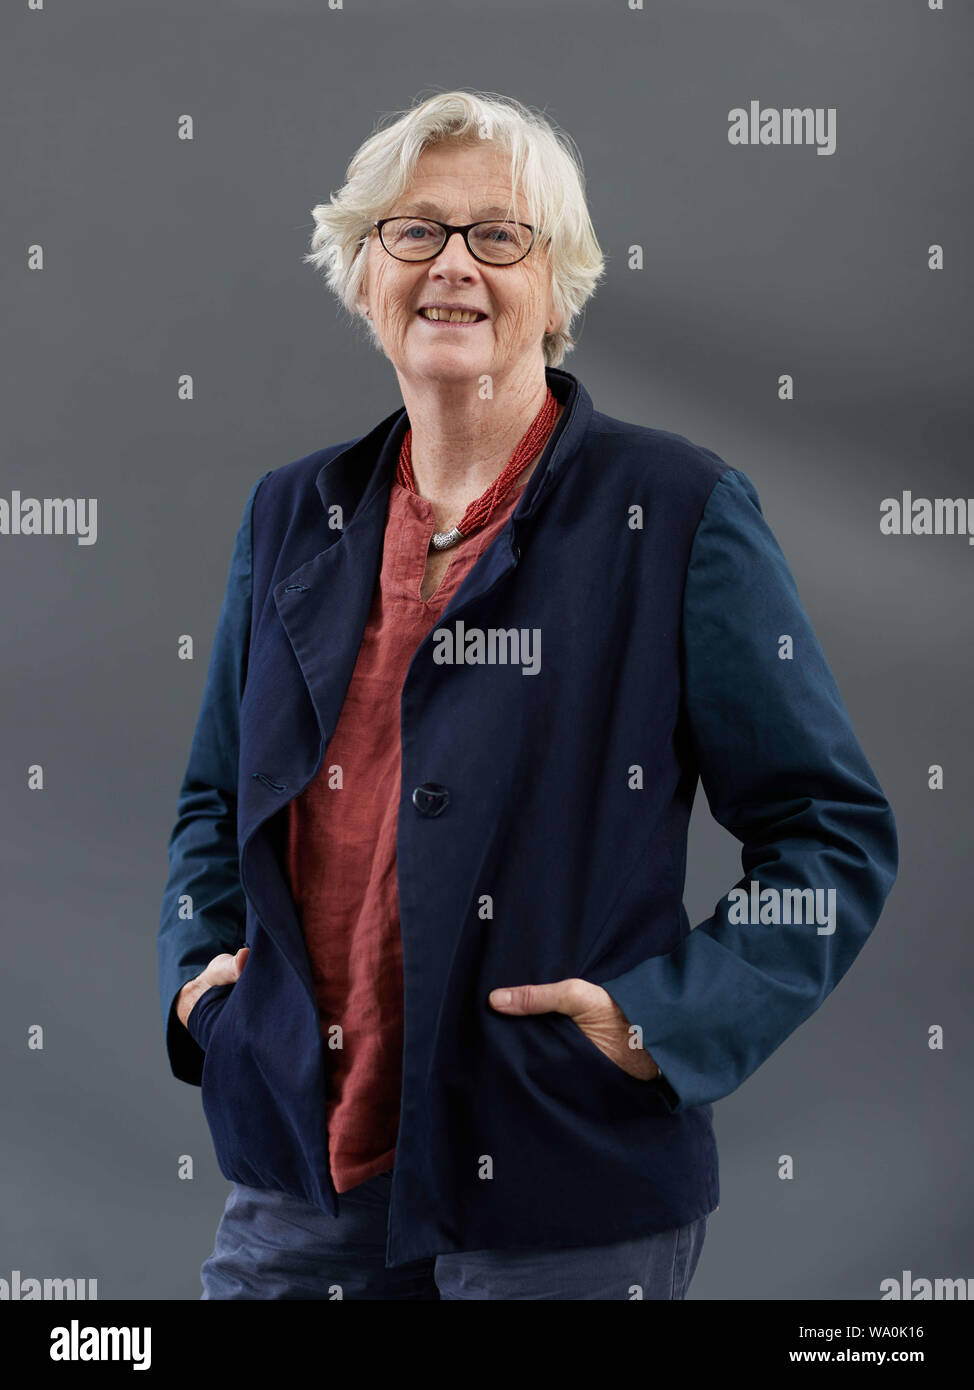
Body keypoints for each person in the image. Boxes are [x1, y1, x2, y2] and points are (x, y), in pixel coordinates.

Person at [157, 90, 898, 1301]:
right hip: (304, 1172)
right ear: (362, 273)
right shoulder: (292, 511)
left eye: (498, 236)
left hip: (560, 1185)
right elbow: (211, 799)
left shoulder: (677, 511)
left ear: (558, 289)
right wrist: (203, 988)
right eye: (414, 232)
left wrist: (655, 1025)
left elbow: (830, 831)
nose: (454, 265)